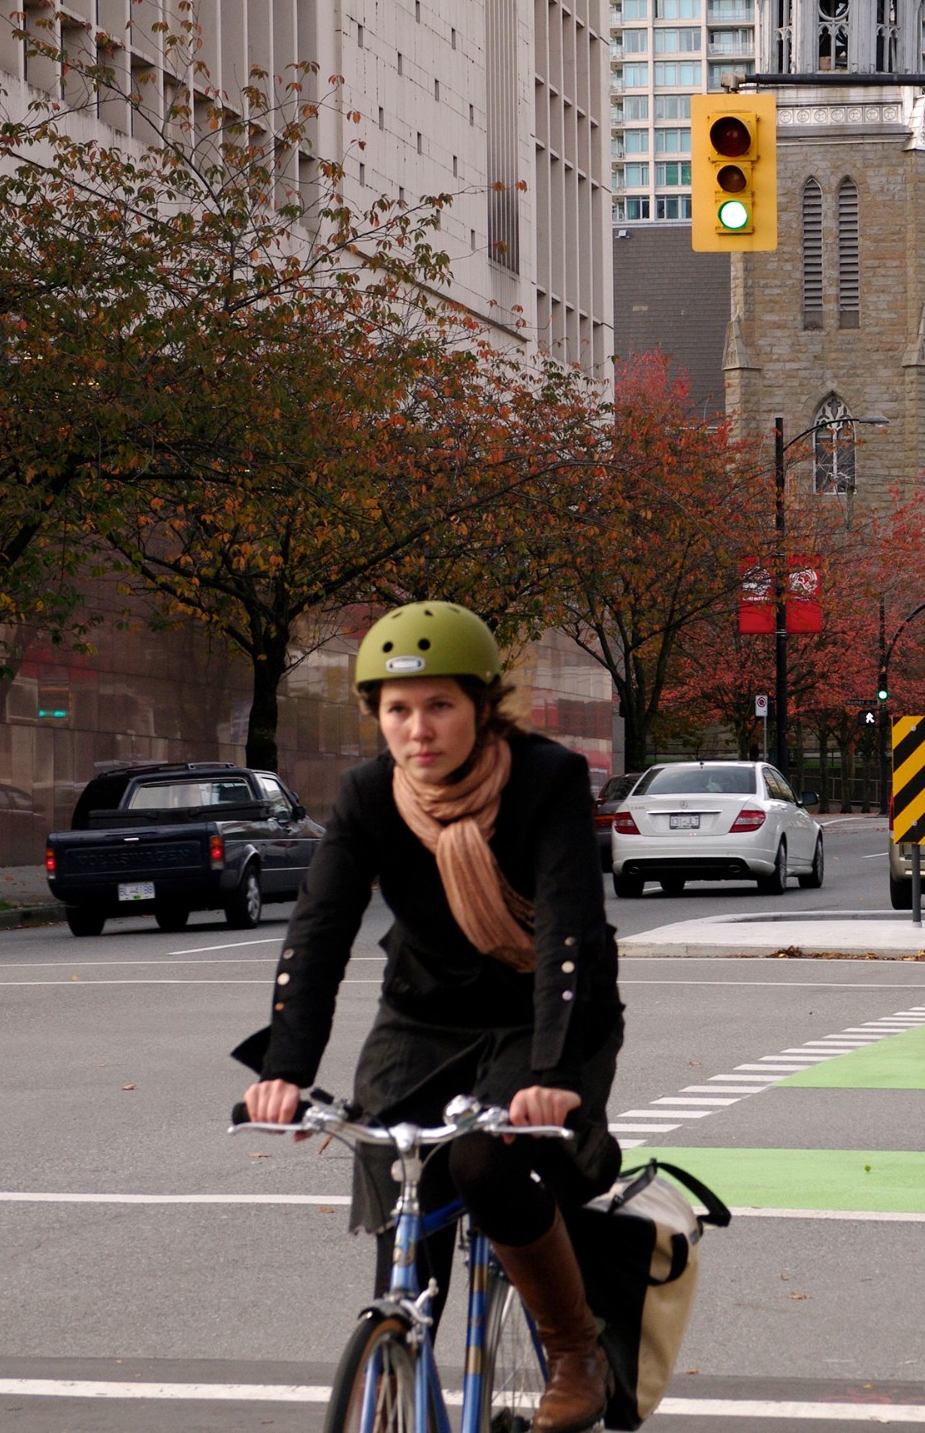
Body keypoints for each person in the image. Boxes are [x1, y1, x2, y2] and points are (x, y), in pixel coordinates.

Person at [234, 602, 624, 1433]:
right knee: (402, 1186)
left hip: (541, 1016)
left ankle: (575, 1352)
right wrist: (285, 1071)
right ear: (376, 714)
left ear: (484, 707)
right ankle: (398, 1373)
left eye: (440, 705)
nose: (419, 729)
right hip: (421, 1019)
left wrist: (554, 1078)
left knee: (485, 1164)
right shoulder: (370, 795)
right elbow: (318, 931)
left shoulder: (545, 778)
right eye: (397, 709)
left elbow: (567, 930)